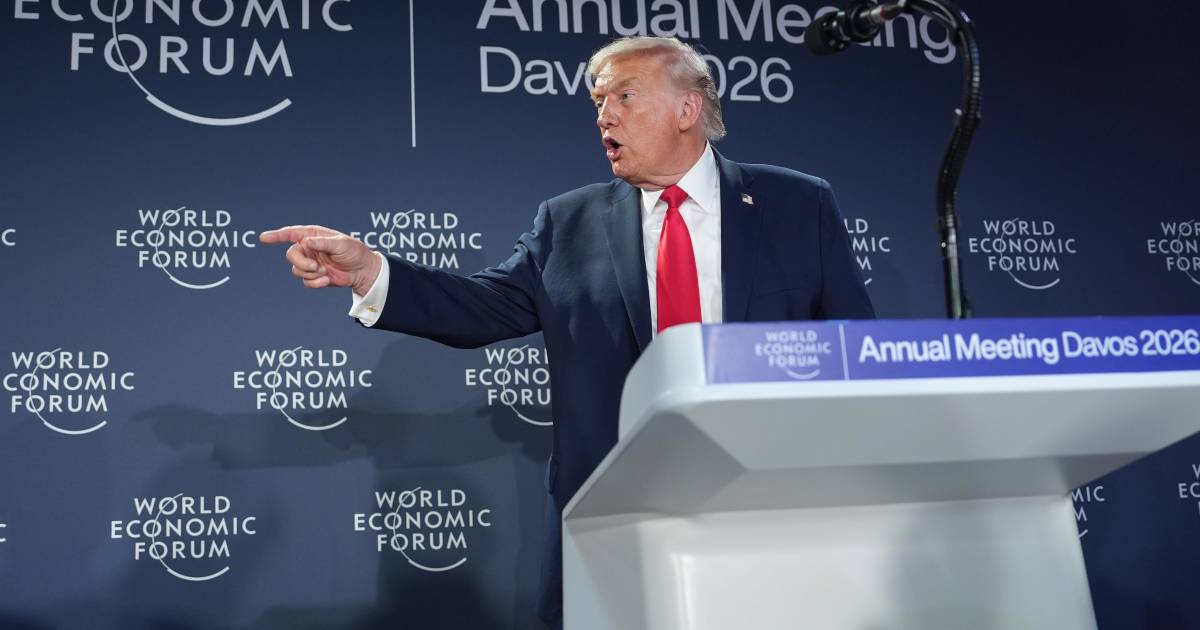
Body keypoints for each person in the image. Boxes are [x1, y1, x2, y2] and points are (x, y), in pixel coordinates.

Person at [261, 35, 874, 630]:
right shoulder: (569, 221)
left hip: (763, 501)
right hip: (618, 509)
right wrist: (370, 271)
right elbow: (483, 307)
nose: (604, 115)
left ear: (687, 109)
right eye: (598, 101)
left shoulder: (797, 205)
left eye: (624, 96)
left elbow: (853, 354)